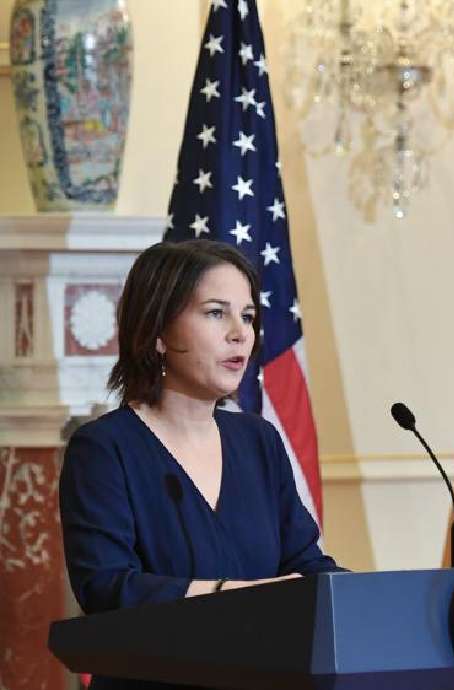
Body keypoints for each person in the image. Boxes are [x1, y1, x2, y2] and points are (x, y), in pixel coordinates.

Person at [59, 240, 342, 688]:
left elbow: (306, 563)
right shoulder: (103, 449)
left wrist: (364, 600)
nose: (240, 333)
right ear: (157, 331)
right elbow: (107, 587)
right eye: (216, 313)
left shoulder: (258, 441)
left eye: (247, 316)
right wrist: (234, 597)